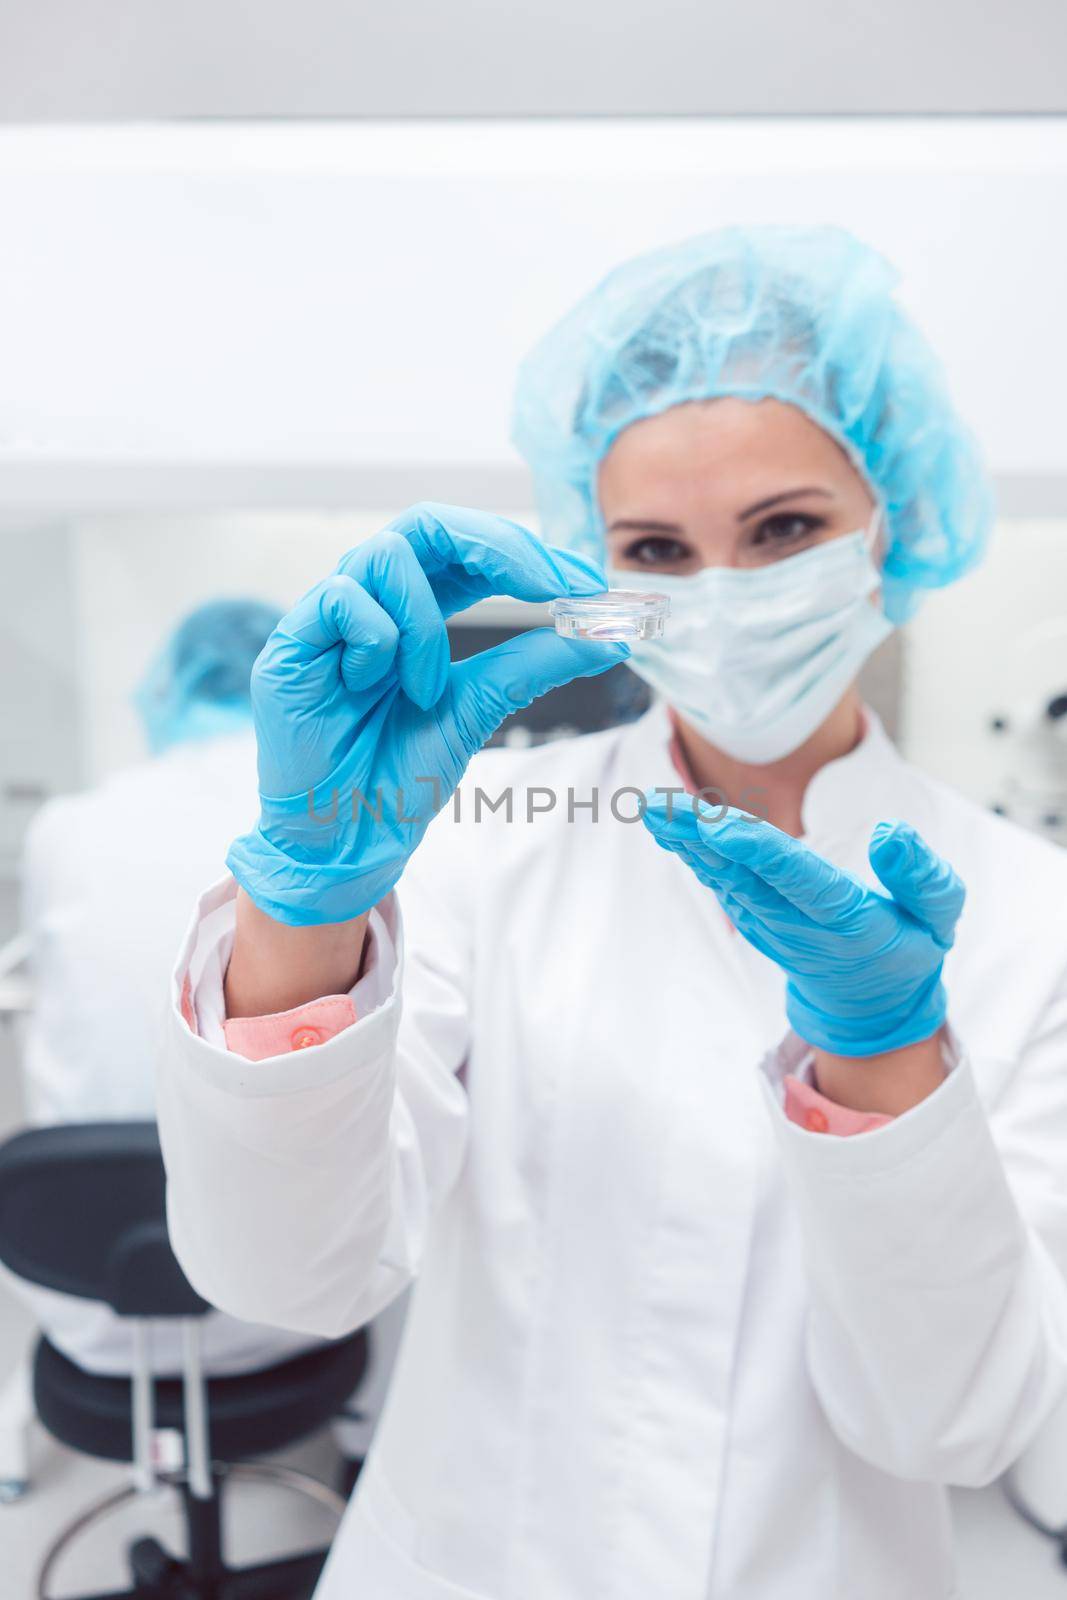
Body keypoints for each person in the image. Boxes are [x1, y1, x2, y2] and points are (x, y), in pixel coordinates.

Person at [157, 227, 1067, 1599]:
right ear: (601, 572)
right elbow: (290, 1279)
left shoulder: (1030, 913)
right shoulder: (483, 843)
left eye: (784, 529)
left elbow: (963, 1426)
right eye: (656, 545)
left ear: (894, 519)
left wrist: (891, 1065)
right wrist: (303, 910)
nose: (723, 591)